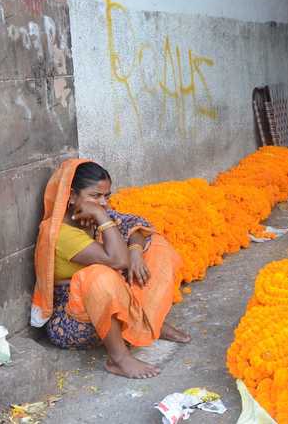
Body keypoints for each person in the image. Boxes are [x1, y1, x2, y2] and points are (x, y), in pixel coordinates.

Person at [31, 159, 190, 379]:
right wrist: (102, 217)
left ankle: (148, 321)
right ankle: (120, 358)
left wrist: (134, 250)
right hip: (75, 322)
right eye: (95, 196)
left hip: (111, 301)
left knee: (158, 248)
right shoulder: (59, 232)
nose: (103, 202)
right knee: (99, 275)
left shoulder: (90, 216)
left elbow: (136, 223)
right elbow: (117, 260)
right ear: (72, 195)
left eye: (107, 196)